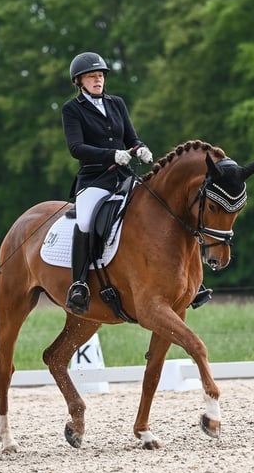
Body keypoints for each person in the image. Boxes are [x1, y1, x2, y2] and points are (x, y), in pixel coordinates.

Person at [61, 51, 212, 315]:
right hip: (94, 179)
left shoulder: (116, 103)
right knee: (85, 221)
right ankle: (80, 284)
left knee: (162, 210)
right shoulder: (72, 110)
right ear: (79, 81)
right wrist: (111, 155)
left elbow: (131, 136)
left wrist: (139, 148)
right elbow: (76, 147)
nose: (97, 80)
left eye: (100, 76)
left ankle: (193, 283)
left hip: (123, 177)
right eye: (91, 77)